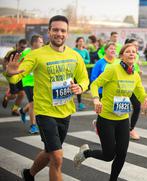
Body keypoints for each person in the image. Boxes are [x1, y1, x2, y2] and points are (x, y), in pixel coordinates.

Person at [3, 15, 89, 181]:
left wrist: (81, 87)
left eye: (63, 30)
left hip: (65, 111)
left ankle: (29, 174)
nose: (59, 33)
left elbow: (84, 79)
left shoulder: (75, 56)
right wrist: (9, 73)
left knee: (50, 152)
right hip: (44, 111)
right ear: (49, 32)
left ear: (67, 33)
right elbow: (17, 76)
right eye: (55, 30)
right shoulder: (37, 55)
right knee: (57, 157)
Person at [73, 43, 147, 181]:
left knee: (122, 154)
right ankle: (86, 153)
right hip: (106, 118)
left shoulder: (135, 75)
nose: (132, 54)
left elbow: (140, 92)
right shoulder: (113, 69)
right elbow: (95, 84)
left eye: (134, 52)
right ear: (122, 55)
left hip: (122, 119)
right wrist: (96, 100)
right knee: (109, 156)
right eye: (128, 51)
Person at [19, 34, 44, 134]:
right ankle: (33, 126)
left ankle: (23, 111)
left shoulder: (42, 53)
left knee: (36, 102)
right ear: (34, 43)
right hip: (28, 81)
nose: (42, 43)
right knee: (33, 103)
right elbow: (19, 65)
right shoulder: (26, 52)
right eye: (40, 41)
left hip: (39, 81)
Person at [2, 39, 27, 116]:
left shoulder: (24, 53)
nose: (22, 49)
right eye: (21, 47)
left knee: (22, 94)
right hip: (11, 75)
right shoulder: (11, 52)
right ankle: (7, 97)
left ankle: (14, 110)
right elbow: (4, 61)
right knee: (14, 95)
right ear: (17, 45)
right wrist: (6, 70)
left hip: (18, 75)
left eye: (24, 48)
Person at [124, 38, 142, 140]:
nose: (135, 48)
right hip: (122, 87)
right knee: (119, 108)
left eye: (136, 47)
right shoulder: (121, 58)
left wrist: (139, 73)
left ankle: (130, 129)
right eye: (133, 45)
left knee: (137, 106)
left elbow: (135, 71)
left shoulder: (136, 56)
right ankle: (101, 123)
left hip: (133, 86)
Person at [73, 37, 90, 111]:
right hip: (74, 71)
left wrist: (82, 60)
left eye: (82, 41)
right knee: (72, 87)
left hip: (82, 71)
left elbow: (88, 60)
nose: (81, 43)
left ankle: (79, 103)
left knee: (79, 87)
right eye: (79, 41)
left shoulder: (85, 51)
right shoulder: (73, 50)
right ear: (76, 42)